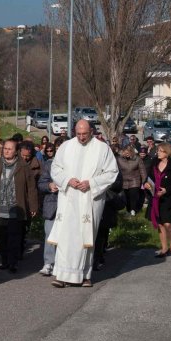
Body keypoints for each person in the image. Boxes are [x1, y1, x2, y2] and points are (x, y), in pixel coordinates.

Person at [48, 120, 119, 288]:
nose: (81, 137)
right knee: (66, 236)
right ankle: (61, 275)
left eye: (84, 134)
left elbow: (112, 172)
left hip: (90, 199)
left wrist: (92, 183)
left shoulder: (102, 148)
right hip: (69, 198)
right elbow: (56, 168)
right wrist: (67, 180)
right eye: (78, 134)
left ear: (91, 131)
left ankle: (85, 275)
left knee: (86, 237)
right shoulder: (66, 147)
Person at [0, 139, 38, 273]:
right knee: (1, 238)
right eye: (5, 148)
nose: (7, 151)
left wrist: (33, 206)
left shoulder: (23, 166)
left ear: (16, 151)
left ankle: (13, 262)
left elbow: (31, 188)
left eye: (10, 149)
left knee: (14, 238)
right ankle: (4, 261)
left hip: (16, 208)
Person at [144, 142, 171, 258]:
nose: (158, 153)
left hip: (169, 198)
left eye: (160, 151)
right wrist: (146, 184)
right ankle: (164, 248)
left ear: (167, 152)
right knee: (160, 224)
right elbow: (148, 177)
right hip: (156, 198)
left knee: (168, 224)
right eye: (158, 151)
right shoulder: (155, 162)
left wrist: (166, 190)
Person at [37, 141, 61, 276]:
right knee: (50, 233)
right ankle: (48, 263)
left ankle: (62, 264)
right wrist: (49, 186)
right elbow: (41, 183)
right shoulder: (49, 164)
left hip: (69, 204)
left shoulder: (74, 164)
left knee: (66, 236)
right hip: (52, 204)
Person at [117, 144, 147, 216]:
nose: (127, 153)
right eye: (125, 152)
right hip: (124, 181)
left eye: (128, 152)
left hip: (135, 180)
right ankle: (128, 210)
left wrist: (144, 181)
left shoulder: (137, 159)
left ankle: (133, 210)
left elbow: (142, 170)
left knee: (133, 196)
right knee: (126, 197)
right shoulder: (119, 159)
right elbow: (116, 170)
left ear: (131, 152)